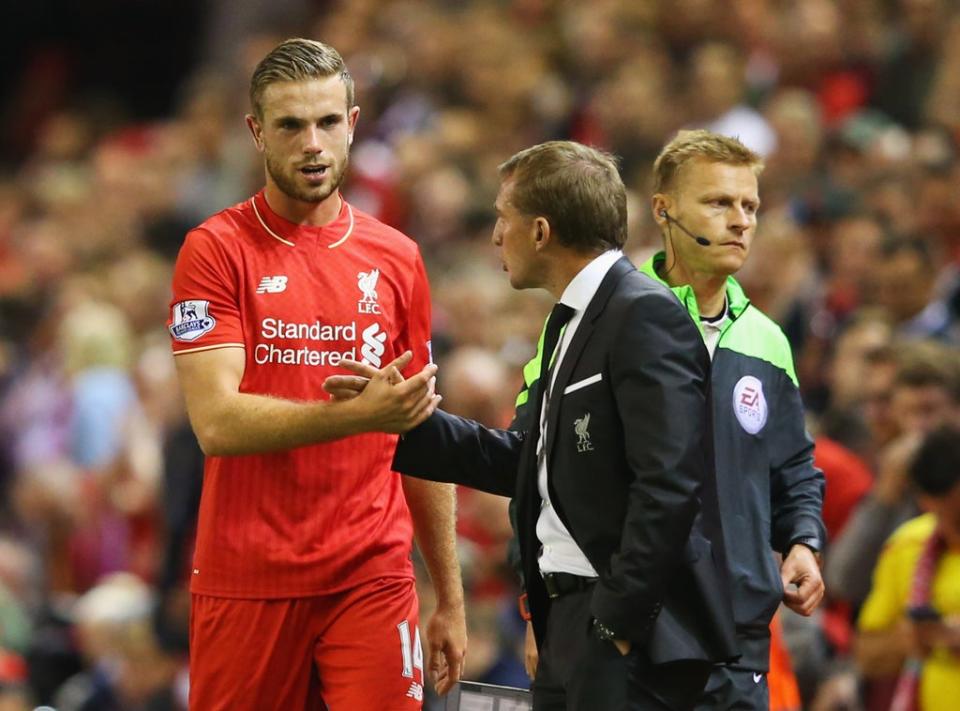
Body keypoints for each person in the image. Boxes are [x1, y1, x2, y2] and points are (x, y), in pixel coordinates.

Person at [330, 140, 739, 710]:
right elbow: (526, 459)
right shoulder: (569, 322)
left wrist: (617, 620)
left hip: (624, 628)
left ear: (541, 231)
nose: (496, 235)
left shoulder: (643, 313)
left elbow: (670, 485)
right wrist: (398, 422)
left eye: (504, 218)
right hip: (565, 619)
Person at [167, 38, 465, 711]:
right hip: (247, 575)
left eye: (329, 122)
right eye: (291, 125)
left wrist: (447, 591)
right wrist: (359, 415)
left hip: (371, 571)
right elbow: (216, 422)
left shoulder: (398, 257)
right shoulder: (214, 250)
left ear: (353, 123)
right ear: (256, 132)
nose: (313, 143)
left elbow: (419, 430)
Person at [511, 130, 826, 710]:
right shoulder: (605, 316)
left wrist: (802, 539)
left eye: (750, 206)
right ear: (663, 209)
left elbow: (793, 467)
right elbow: (535, 457)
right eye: (718, 203)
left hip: (737, 637)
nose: (740, 221)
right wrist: (543, 608)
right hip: (636, 630)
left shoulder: (767, 339)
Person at [855, 424, 960, 711]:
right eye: (937, 513)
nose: (945, 529)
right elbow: (866, 654)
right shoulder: (908, 545)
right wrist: (911, 639)